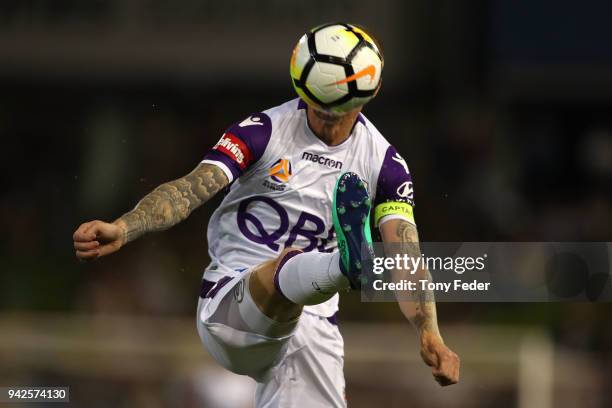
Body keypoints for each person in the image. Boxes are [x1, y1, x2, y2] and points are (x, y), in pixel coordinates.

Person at [73, 23, 460, 407]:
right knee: (286, 267)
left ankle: (345, 263)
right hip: (232, 305)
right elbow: (190, 189)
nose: (325, 120)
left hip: (312, 330)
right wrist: (126, 226)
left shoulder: (385, 164)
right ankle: (347, 266)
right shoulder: (261, 133)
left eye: (338, 111)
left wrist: (430, 331)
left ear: (367, 97)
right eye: (316, 106)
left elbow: (405, 253)